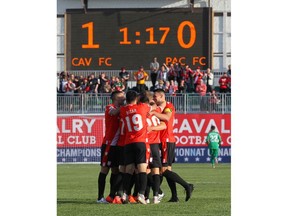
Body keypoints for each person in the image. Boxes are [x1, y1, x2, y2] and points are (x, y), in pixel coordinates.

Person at [151, 89, 194, 202]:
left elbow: (167, 117)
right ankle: (174, 196)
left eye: (155, 97)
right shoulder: (157, 108)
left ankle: (187, 185)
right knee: (167, 169)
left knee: (163, 170)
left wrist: (154, 113)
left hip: (166, 140)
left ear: (162, 96)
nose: (154, 98)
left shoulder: (169, 106)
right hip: (161, 141)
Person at [119, 90, 152, 204]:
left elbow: (123, 109)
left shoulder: (123, 110)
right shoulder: (142, 107)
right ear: (136, 99)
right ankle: (141, 195)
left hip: (128, 143)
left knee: (129, 170)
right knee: (142, 168)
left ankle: (124, 195)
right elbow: (149, 106)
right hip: (140, 141)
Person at [97, 91, 126, 204]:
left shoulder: (123, 109)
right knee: (105, 170)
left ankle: (112, 195)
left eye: (124, 96)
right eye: (121, 96)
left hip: (118, 145)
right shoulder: (110, 107)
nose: (123, 97)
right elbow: (113, 113)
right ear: (115, 98)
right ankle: (100, 197)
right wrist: (124, 106)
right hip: (109, 144)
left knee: (115, 170)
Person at [139, 91, 167, 204]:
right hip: (153, 144)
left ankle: (147, 196)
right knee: (154, 171)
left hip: (148, 144)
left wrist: (151, 128)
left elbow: (164, 124)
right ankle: (155, 195)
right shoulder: (157, 111)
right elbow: (164, 124)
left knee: (146, 170)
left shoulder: (143, 113)